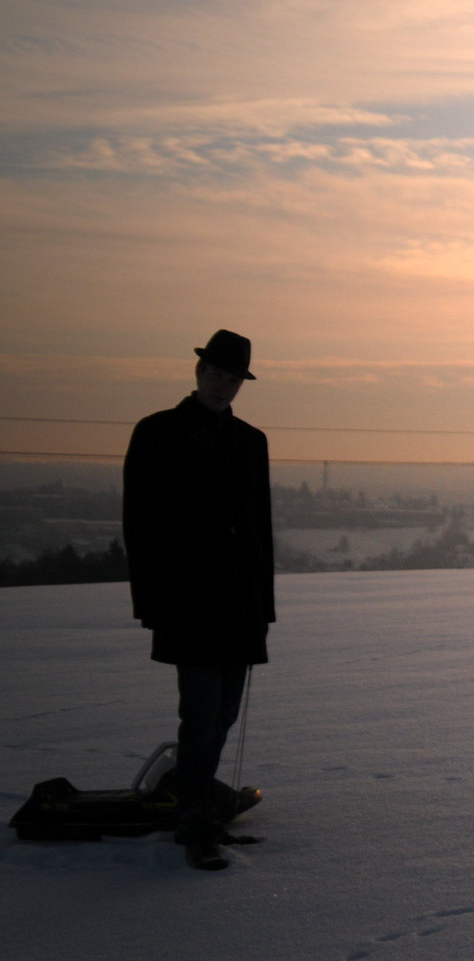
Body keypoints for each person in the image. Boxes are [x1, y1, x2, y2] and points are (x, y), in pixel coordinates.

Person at [123, 330, 275, 871]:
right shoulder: (158, 433)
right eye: (215, 374)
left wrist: (264, 605)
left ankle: (199, 806)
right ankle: (193, 821)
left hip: (239, 605)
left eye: (233, 379)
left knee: (225, 714)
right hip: (187, 602)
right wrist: (151, 603)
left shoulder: (251, 442)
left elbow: (260, 530)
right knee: (202, 713)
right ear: (198, 372)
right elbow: (139, 525)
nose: (222, 385)